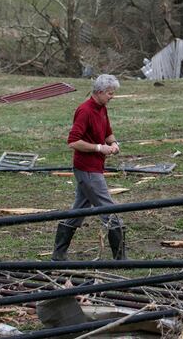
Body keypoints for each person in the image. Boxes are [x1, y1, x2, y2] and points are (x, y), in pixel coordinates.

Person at [51, 74, 127, 261]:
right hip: (87, 170)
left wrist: (114, 143)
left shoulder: (101, 108)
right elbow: (73, 141)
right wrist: (99, 148)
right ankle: (121, 258)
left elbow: (108, 133)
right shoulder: (85, 111)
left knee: (77, 212)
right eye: (110, 93)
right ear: (99, 92)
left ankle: (58, 255)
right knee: (110, 213)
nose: (112, 97)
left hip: (94, 168)